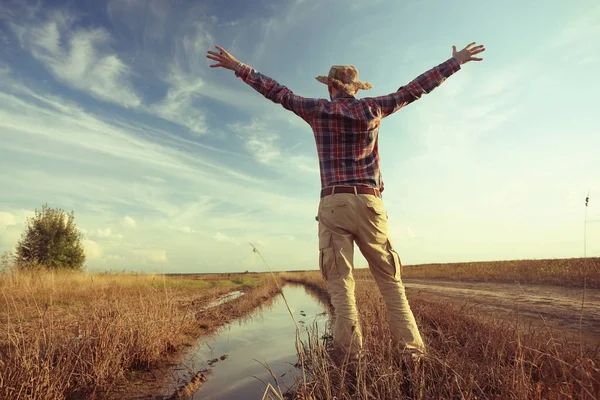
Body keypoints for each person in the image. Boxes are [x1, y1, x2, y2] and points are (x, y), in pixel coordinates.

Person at [206, 42, 485, 362]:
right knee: (392, 284)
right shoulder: (373, 108)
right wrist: (454, 62)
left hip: (334, 202)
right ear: (354, 88)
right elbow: (414, 89)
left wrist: (239, 67)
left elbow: (277, 92)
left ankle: (351, 362)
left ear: (331, 87)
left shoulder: (317, 110)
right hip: (369, 203)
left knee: (341, 289)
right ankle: (414, 358)